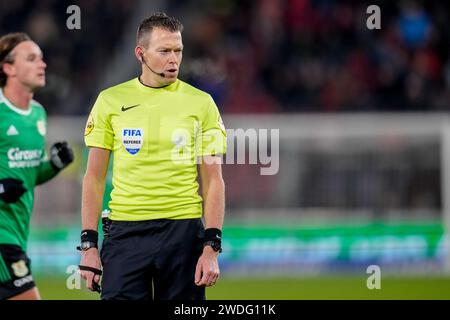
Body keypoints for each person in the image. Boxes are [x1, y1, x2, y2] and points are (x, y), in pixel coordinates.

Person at [79, 12, 227, 300]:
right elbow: (94, 179)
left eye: (178, 51)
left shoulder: (202, 103)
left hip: (183, 232)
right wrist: (89, 246)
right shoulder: (110, 101)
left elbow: (213, 181)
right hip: (125, 233)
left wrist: (211, 247)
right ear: (140, 53)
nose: (173, 59)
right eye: (164, 51)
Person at [0, 32, 74, 300]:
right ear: (8, 68)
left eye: (41, 58)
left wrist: (53, 165)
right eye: (31, 59)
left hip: (18, 231)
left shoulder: (38, 114)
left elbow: (25, 176)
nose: (42, 65)